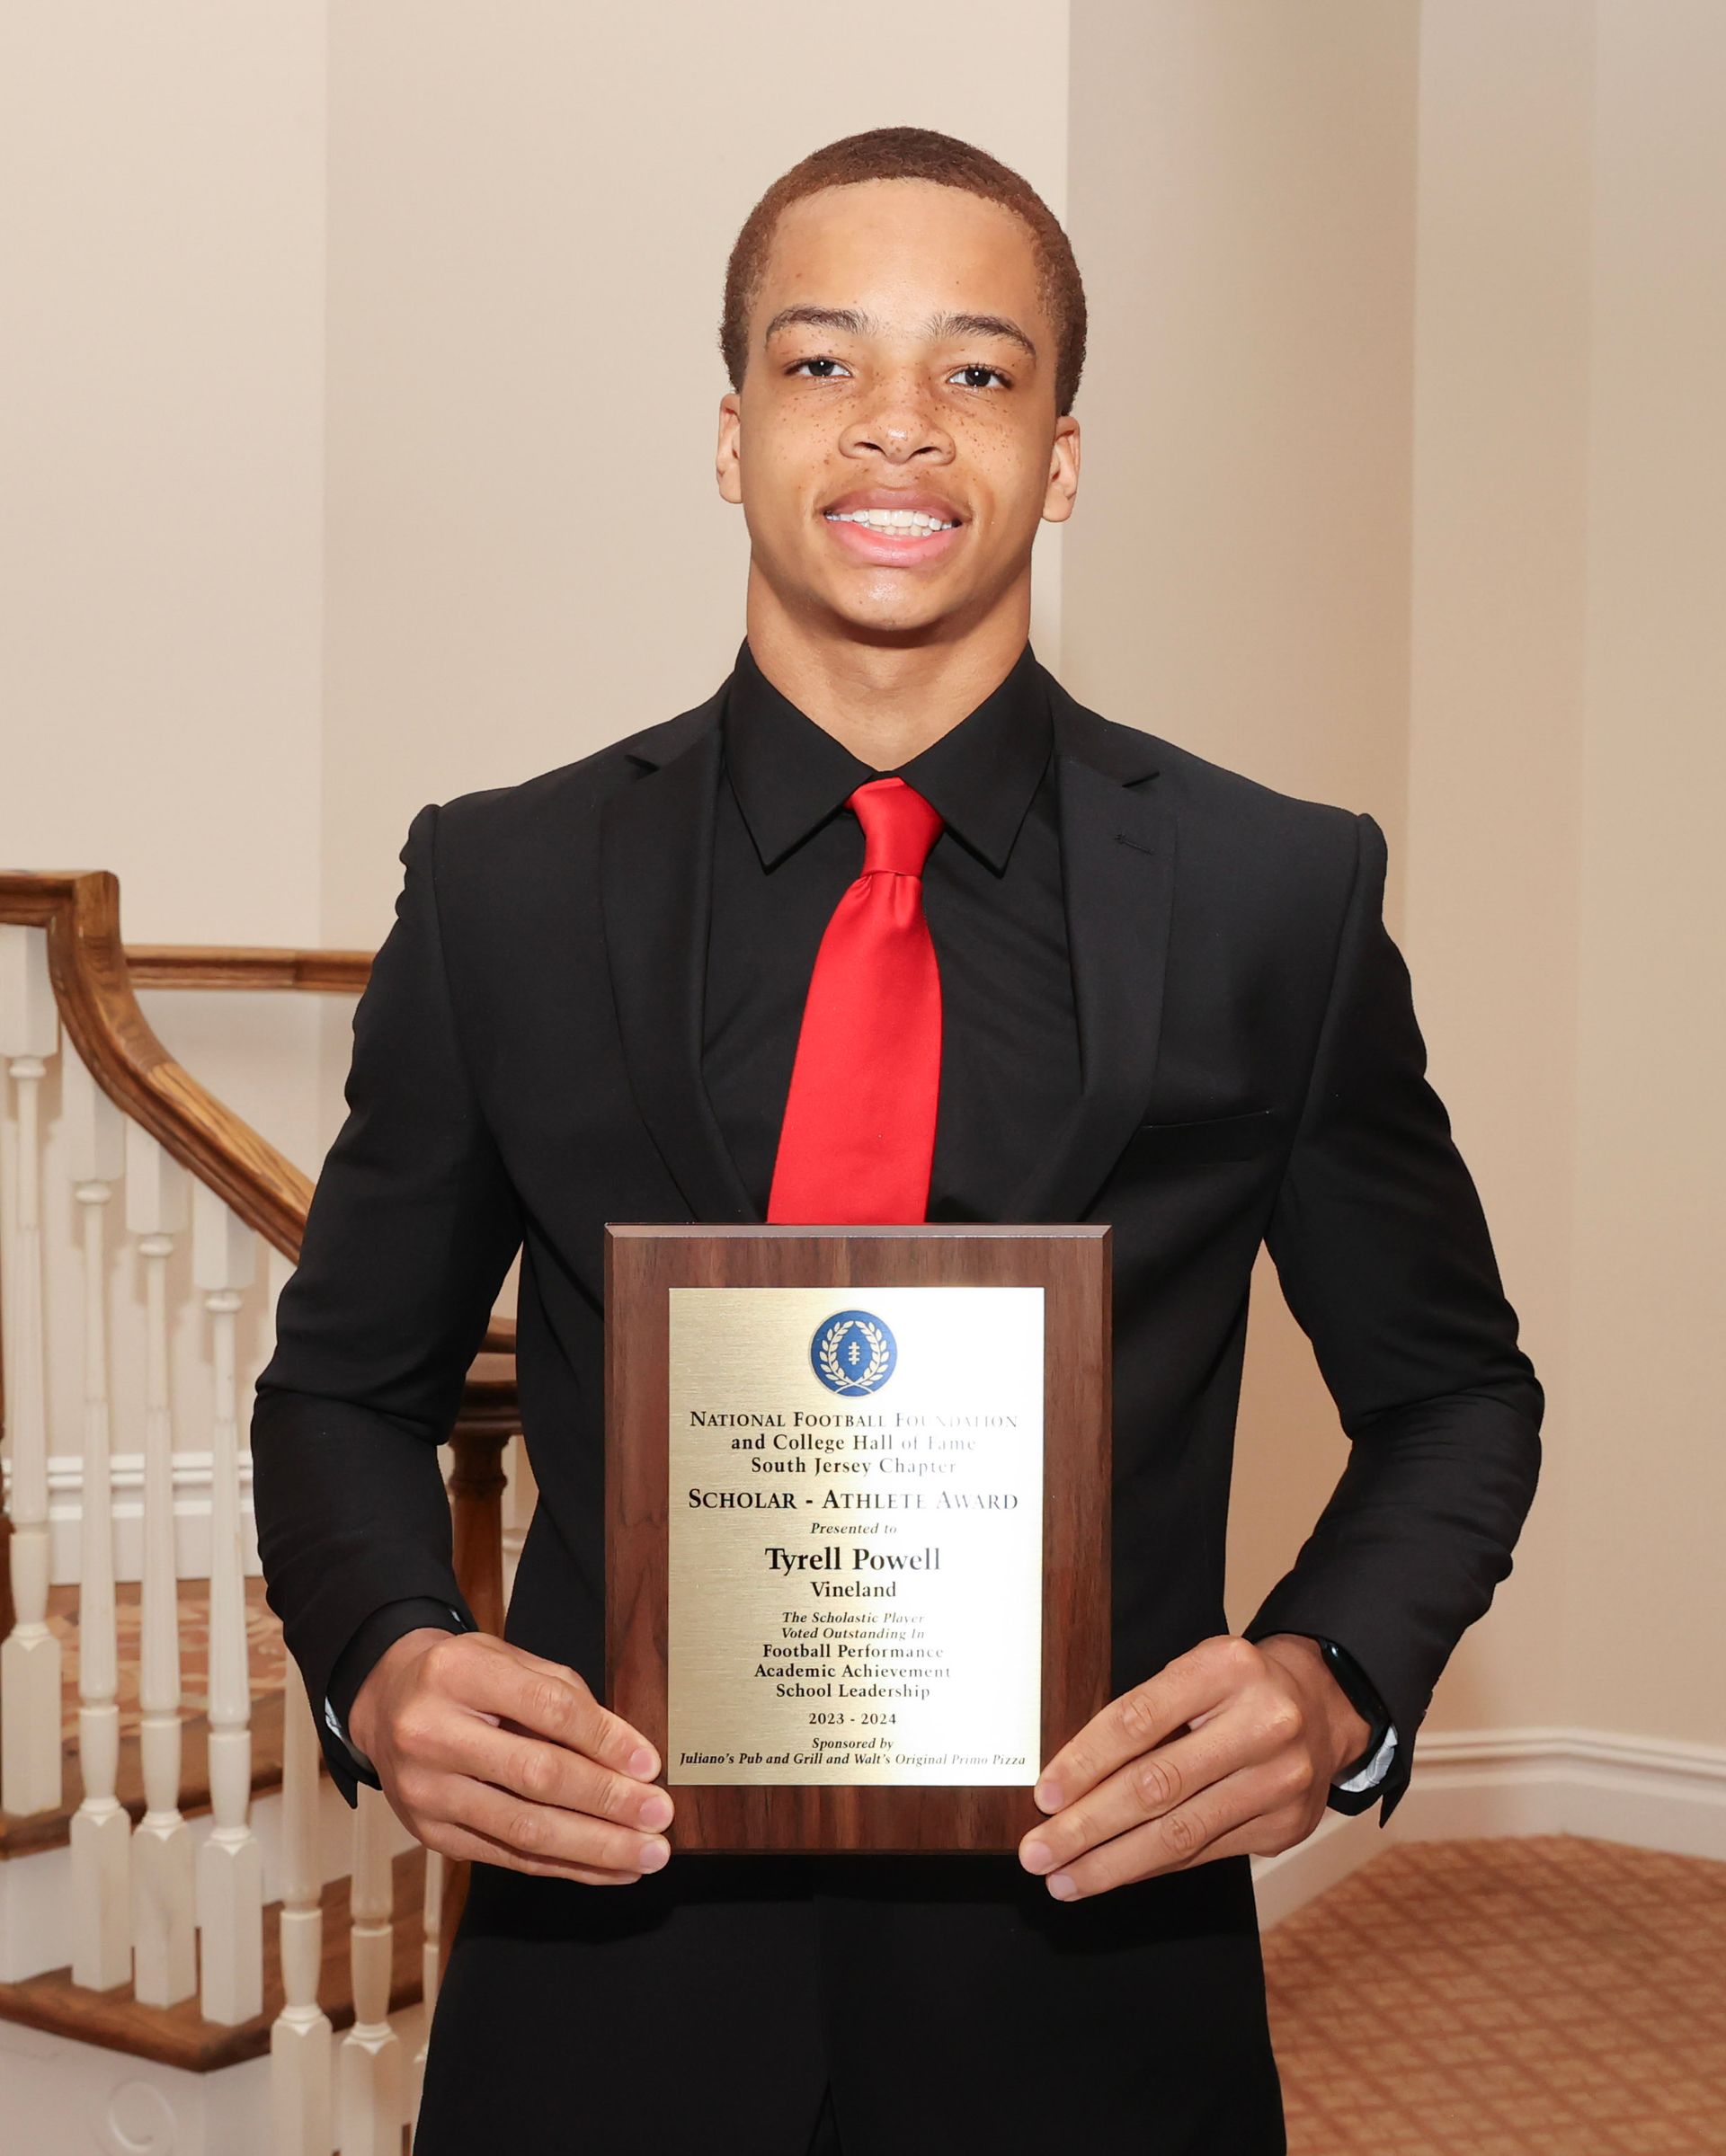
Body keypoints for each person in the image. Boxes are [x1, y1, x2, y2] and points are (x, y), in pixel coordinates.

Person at [251, 126, 1542, 2154]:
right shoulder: (502, 885)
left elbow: (1458, 1391)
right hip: (606, 1969)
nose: (900, 430)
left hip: (1096, 1976)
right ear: (732, 428)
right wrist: (387, 1659)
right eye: (825, 362)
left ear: (1066, 451)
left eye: (979, 370)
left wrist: (1330, 1685)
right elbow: (339, 1386)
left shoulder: (1274, 891)